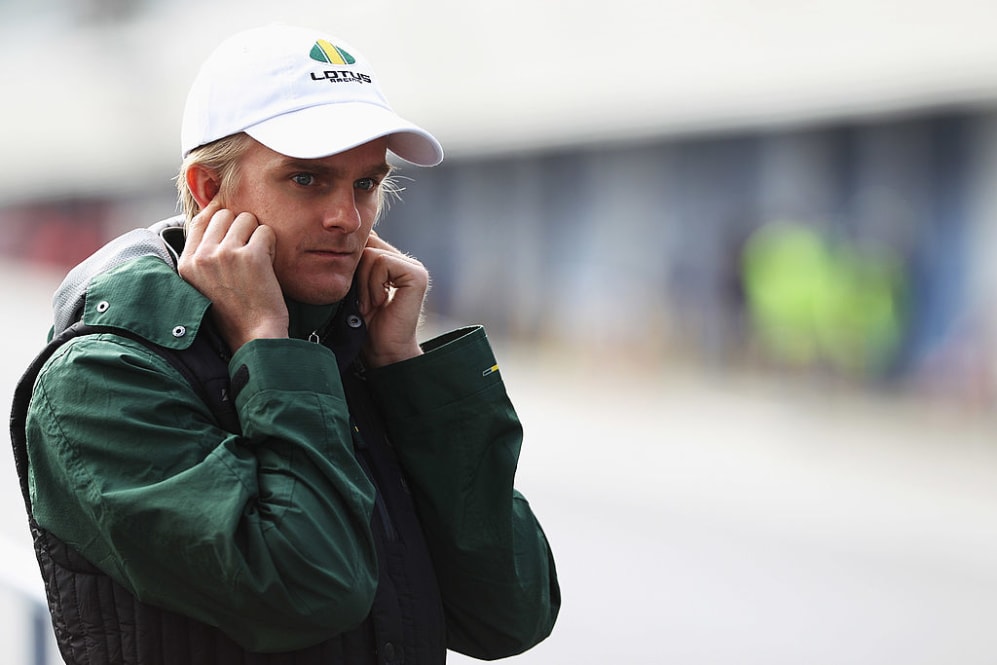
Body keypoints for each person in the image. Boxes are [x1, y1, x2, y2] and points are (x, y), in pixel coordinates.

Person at [16, 23, 559, 665]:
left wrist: (405, 373)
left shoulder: (352, 341)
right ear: (208, 190)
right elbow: (307, 588)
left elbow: (511, 614)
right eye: (307, 180)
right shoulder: (104, 377)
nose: (348, 219)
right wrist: (269, 350)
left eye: (365, 184)